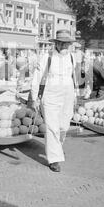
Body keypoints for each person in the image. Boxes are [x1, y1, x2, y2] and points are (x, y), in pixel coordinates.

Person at [29, 30, 77, 173]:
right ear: (56, 43)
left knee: (63, 126)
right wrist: (34, 98)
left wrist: (75, 96)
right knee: (52, 127)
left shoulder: (72, 57)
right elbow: (37, 77)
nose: (64, 45)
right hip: (50, 96)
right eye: (61, 42)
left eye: (66, 43)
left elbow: (72, 78)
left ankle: (58, 148)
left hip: (67, 96)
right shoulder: (47, 57)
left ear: (69, 44)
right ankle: (54, 159)